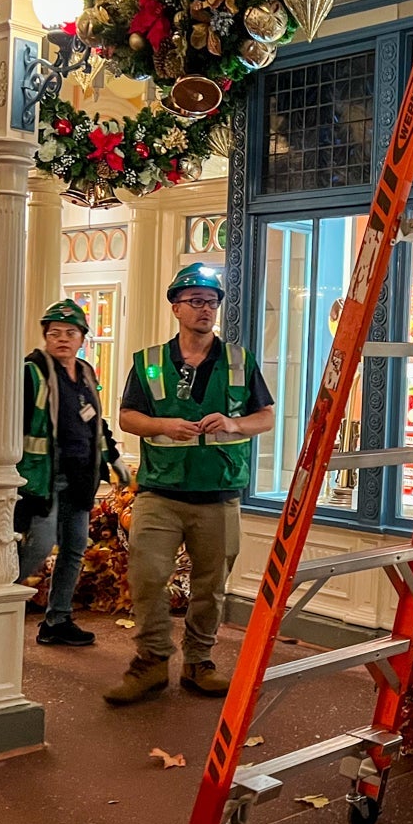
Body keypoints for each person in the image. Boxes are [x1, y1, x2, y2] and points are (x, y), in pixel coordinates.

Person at [104, 264, 275, 705]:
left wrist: (235, 424)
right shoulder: (148, 363)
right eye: (196, 301)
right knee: (146, 579)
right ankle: (153, 661)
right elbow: (127, 417)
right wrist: (162, 423)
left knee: (210, 587)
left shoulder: (239, 361)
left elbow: (266, 417)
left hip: (218, 495)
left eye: (212, 302)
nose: (206, 309)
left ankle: (199, 663)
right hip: (160, 493)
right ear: (176, 307)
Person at [16, 299, 127, 647]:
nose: (62, 339)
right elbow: (13, 425)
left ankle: (57, 620)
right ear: (45, 337)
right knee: (38, 547)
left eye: (70, 333)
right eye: (54, 333)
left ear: (82, 338)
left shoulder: (86, 374)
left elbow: (96, 422)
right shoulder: (31, 372)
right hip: (43, 478)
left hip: (80, 479)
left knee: (75, 548)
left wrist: (114, 459)